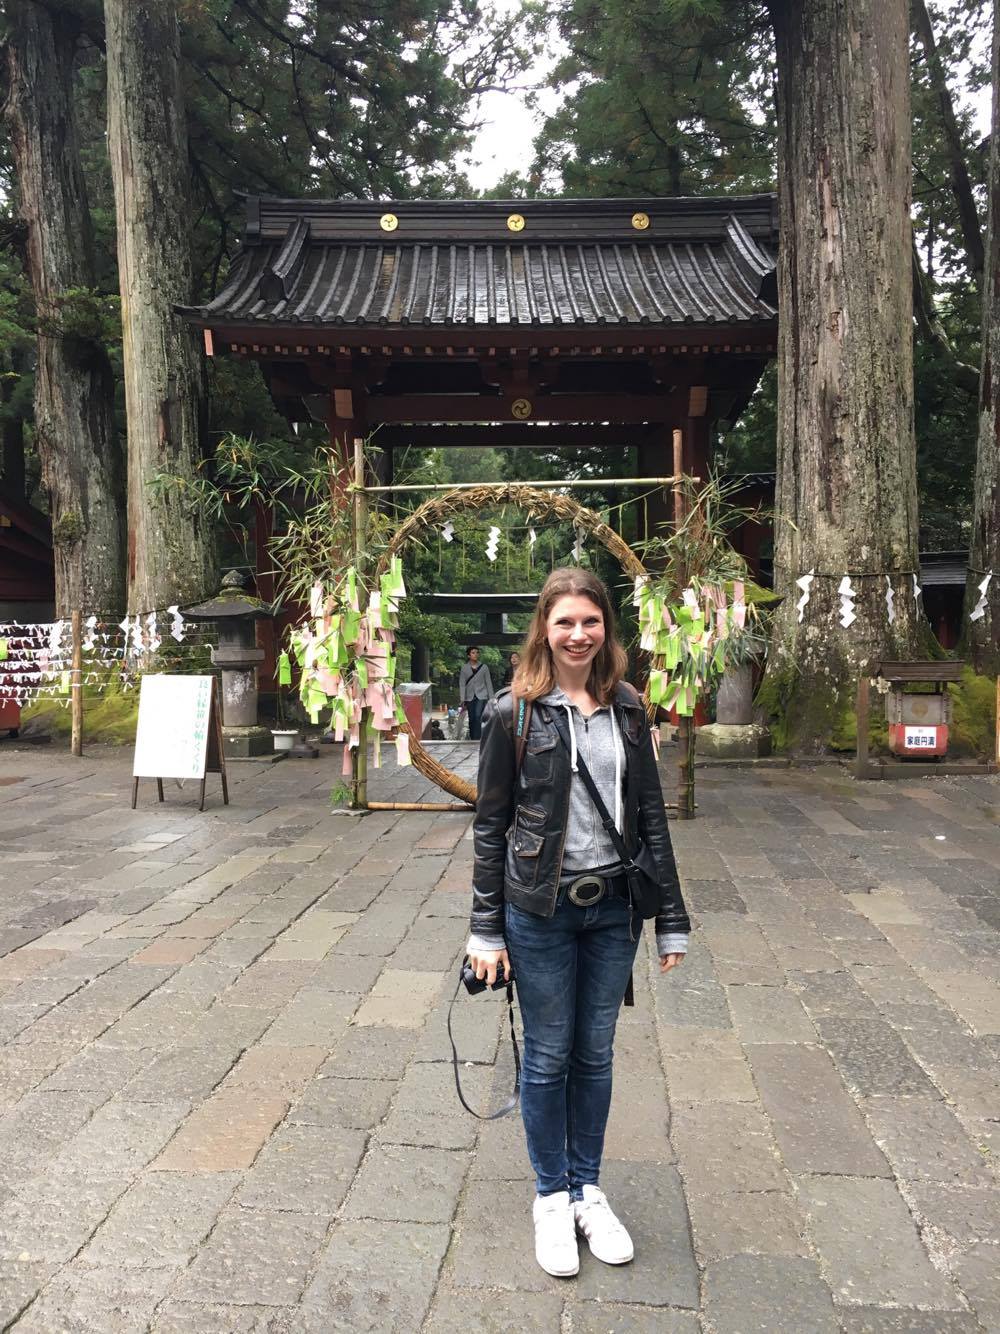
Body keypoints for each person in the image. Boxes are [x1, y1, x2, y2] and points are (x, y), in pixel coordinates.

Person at [466, 568, 689, 1278]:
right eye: (564, 621)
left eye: (590, 621)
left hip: (615, 908)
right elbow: (491, 825)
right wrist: (485, 929)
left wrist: (672, 917)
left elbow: (650, 816)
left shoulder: (629, 708)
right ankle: (550, 1197)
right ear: (544, 628)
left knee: (595, 1054)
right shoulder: (514, 714)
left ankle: (587, 1188)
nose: (578, 634)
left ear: (606, 628)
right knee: (548, 1054)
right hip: (541, 909)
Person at [458, 646, 494, 740]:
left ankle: (478, 738)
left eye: (477, 652)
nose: (475, 654)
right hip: (469, 696)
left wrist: (492, 698)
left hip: (481, 695)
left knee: (478, 716)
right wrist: (462, 698)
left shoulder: (484, 667)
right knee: (471, 718)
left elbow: (488, 683)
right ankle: (473, 737)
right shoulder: (464, 668)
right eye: (473, 653)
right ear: (468, 655)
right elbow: (462, 684)